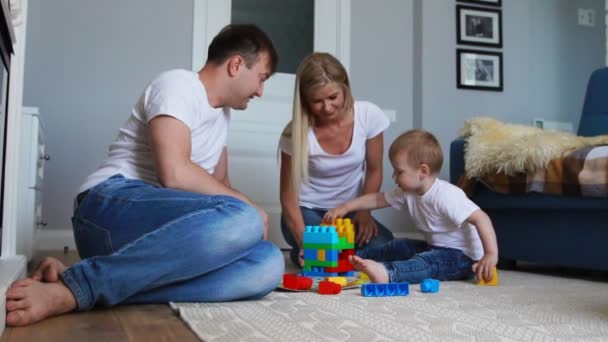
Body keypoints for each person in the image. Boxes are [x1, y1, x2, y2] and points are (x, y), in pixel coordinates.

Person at [6, 24, 284, 326]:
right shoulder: (179, 85)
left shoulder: (222, 119)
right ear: (236, 65)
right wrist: (247, 209)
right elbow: (174, 173)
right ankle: (78, 288)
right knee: (245, 216)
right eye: (262, 78)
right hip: (108, 208)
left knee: (267, 262)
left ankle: (98, 281)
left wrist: (243, 215)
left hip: (158, 245)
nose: (260, 91)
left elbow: (220, 191)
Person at [324, 129, 498, 284]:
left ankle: (388, 273)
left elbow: (481, 218)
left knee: (428, 263)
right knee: (400, 245)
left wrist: (490, 254)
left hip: (463, 258)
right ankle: (349, 260)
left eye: (399, 171)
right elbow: (378, 199)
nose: (394, 176)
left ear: (423, 171)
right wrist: (346, 207)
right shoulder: (408, 191)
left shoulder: (446, 196)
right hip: (435, 248)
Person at [279, 52, 394, 268]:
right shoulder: (295, 133)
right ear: (305, 99)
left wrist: (363, 211)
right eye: (317, 101)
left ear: (345, 88)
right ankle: (306, 252)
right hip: (308, 212)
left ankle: (326, 255)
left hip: (349, 210)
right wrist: (306, 242)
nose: (327, 108)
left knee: (386, 247)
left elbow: (374, 170)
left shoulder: (369, 115)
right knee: (328, 254)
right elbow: (288, 198)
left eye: (333, 97)